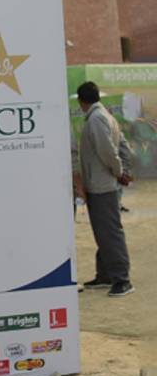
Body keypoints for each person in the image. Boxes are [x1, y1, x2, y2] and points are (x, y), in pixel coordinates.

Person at [73, 81, 134, 296]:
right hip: (101, 184)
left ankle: (122, 279)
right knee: (103, 232)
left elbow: (107, 152)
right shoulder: (104, 116)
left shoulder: (96, 119)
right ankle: (106, 275)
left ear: (81, 101)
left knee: (110, 233)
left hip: (102, 185)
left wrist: (119, 172)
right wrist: (121, 171)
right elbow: (122, 146)